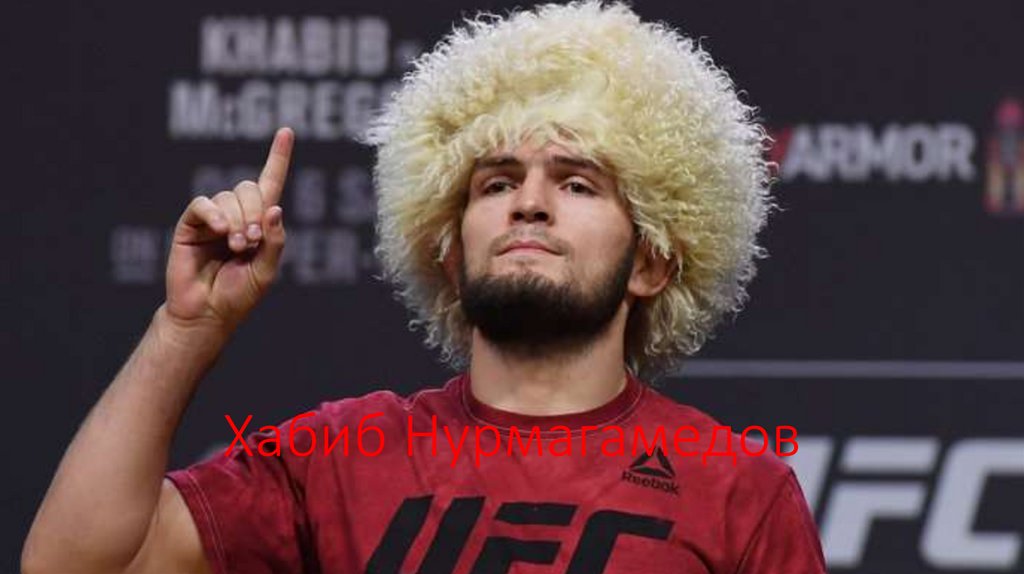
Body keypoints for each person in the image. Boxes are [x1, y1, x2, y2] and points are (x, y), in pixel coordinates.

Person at [22, 2, 827, 573]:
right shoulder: (337, 458)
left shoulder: (739, 492)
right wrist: (185, 330)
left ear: (651, 262)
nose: (529, 202)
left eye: (578, 184)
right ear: (448, 250)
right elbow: (76, 564)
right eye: (496, 182)